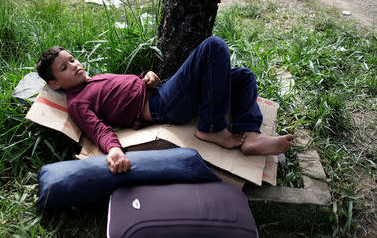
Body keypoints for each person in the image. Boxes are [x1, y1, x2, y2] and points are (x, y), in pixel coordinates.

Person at [36, 36, 294, 174]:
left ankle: (250, 133)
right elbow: (98, 130)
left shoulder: (91, 81)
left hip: (159, 90)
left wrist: (147, 77)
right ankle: (212, 127)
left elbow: (122, 92)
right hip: (162, 105)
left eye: (72, 59)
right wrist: (114, 151)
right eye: (64, 67)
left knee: (243, 76)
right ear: (56, 84)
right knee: (213, 46)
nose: (74, 65)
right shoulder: (78, 102)